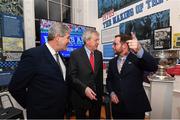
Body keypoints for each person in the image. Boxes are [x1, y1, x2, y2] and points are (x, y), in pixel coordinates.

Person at [8, 22, 70, 119]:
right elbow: (15, 87)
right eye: (68, 38)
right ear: (58, 37)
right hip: (41, 114)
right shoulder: (33, 55)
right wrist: (31, 106)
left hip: (59, 112)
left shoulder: (60, 56)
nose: (69, 41)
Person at [106, 33, 158, 119]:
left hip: (135, 107)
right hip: (118, 107)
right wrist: (111, 93)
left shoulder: (137, 58)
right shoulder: (112, 62)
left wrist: (139, 50)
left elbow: (153, 67)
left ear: (124, 45)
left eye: (115, 44)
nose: (112, 46)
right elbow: (109, 80)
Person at [69, 29, 103, 119]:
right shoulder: (75, 54)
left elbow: (99, 77)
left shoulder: (99, 54)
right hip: (80, 97)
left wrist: (101, 94)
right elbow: (72, 77)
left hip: (96, 97)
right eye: (96, 40)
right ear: (87, 41)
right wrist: (84, 89)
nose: (98, 42)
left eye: (98, 40)